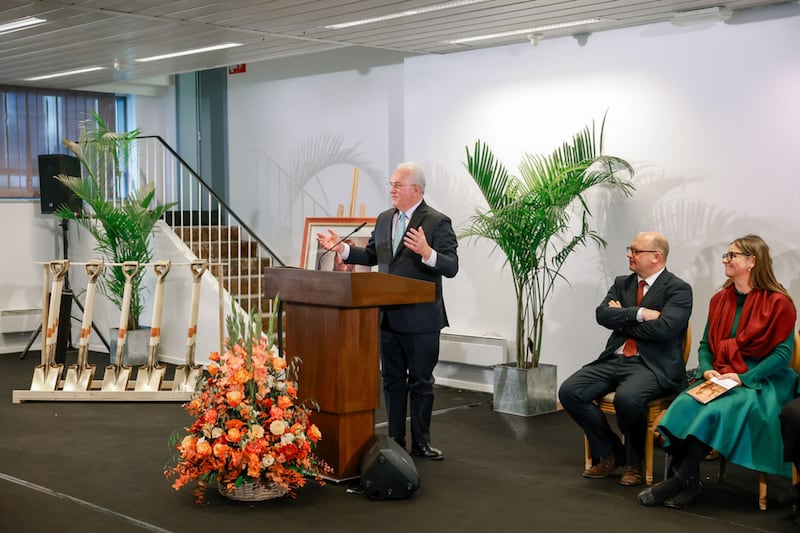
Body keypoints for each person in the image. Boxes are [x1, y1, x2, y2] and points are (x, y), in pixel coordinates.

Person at [639, 234, 797, 509]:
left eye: (732, 255)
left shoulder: (779, 302)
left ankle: (680, 480)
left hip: (760, 380)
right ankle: (690, 483)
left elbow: (782, 355)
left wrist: (744, 377)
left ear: (752, 261)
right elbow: (704, 345)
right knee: (684, 405)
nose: (726, 259)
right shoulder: (719, 299)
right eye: (726, 255)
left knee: (715, 411)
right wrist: (709, 370)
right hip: (721, 375)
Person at [316, 162, 458, 460]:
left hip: (421, 318)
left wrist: (427, 252)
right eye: (391, 184)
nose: (391, 190)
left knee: (420, 382)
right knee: (392, 381)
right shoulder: (383, 219)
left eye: (398, 185)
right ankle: (395, 439)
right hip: (387, 316)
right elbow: (371, 255)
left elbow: (451, 266)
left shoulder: (436, 222)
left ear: (415, 189)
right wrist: (340, 249)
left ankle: (421, 443)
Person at [558, 231, 692, 487]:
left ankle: (634, 462)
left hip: (652, 364)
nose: (630, 255)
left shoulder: (678, 289)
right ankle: (610, 451)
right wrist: (641, 313)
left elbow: (665, 329)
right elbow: (602, 315)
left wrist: (623, 321)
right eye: (629, 249)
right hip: (615, 358)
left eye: (635, 251)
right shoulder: (623, 283)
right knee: (570, 392)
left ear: (656, 256)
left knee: (628, 399)